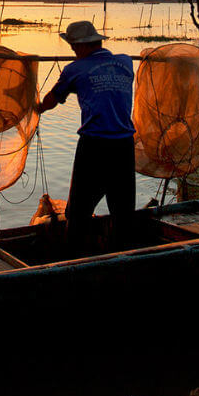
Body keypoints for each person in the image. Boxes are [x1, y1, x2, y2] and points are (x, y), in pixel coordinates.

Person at [37, 20, 136, 254]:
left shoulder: (74, 69)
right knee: (123, 210)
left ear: (80, 47)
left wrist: (38, 109)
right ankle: (124, 255)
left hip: (94, 145)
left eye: (73, 47)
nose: (73, 52)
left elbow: (51, 100)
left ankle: (73, 260)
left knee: (78, 211)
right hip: (124, 145)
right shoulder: (125, 62)